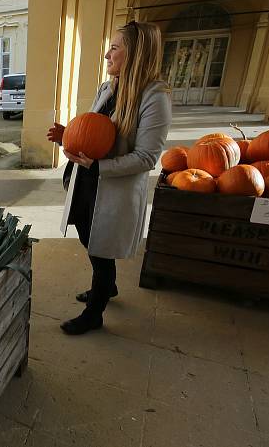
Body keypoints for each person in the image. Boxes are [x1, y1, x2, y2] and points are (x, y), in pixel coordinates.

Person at [47, 21, 172, 335]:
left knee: (100, 248)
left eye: (115, 48)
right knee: (89, 238)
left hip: (111, 186)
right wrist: (69, 138)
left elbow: (146, 158)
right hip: (87, 181)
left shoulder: (155, 98)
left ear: (135, 54)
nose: (107, 54)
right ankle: (109, 285)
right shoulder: (109, 87)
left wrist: (98, 167)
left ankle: (95, 311)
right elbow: (96, 132)